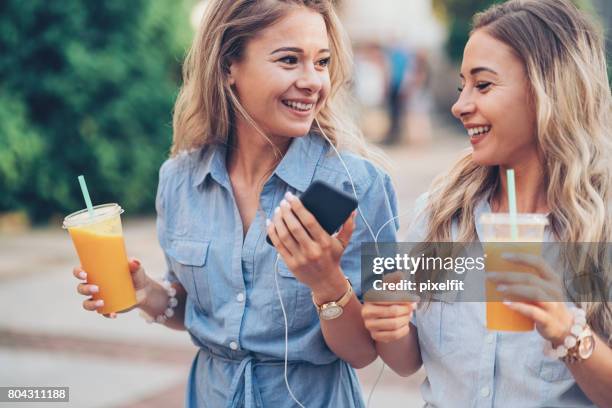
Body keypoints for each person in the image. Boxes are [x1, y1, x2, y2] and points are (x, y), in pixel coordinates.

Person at [72, 1, 399, 407]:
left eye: (322, 62)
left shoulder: (354, 185)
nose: (313, 81)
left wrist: (326, 281)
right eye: (290, 60)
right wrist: (144, 292)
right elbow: (199, 311)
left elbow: (365, 352)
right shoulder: (180, 180)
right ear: (229, 66)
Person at [361, 0, 612, 406]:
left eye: (483, 85)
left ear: (547, 89)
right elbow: (409, 361)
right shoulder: (443, 214)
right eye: (462, 86)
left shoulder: (599, 227)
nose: (460, 105)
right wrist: (388, 326)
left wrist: (569, 333)